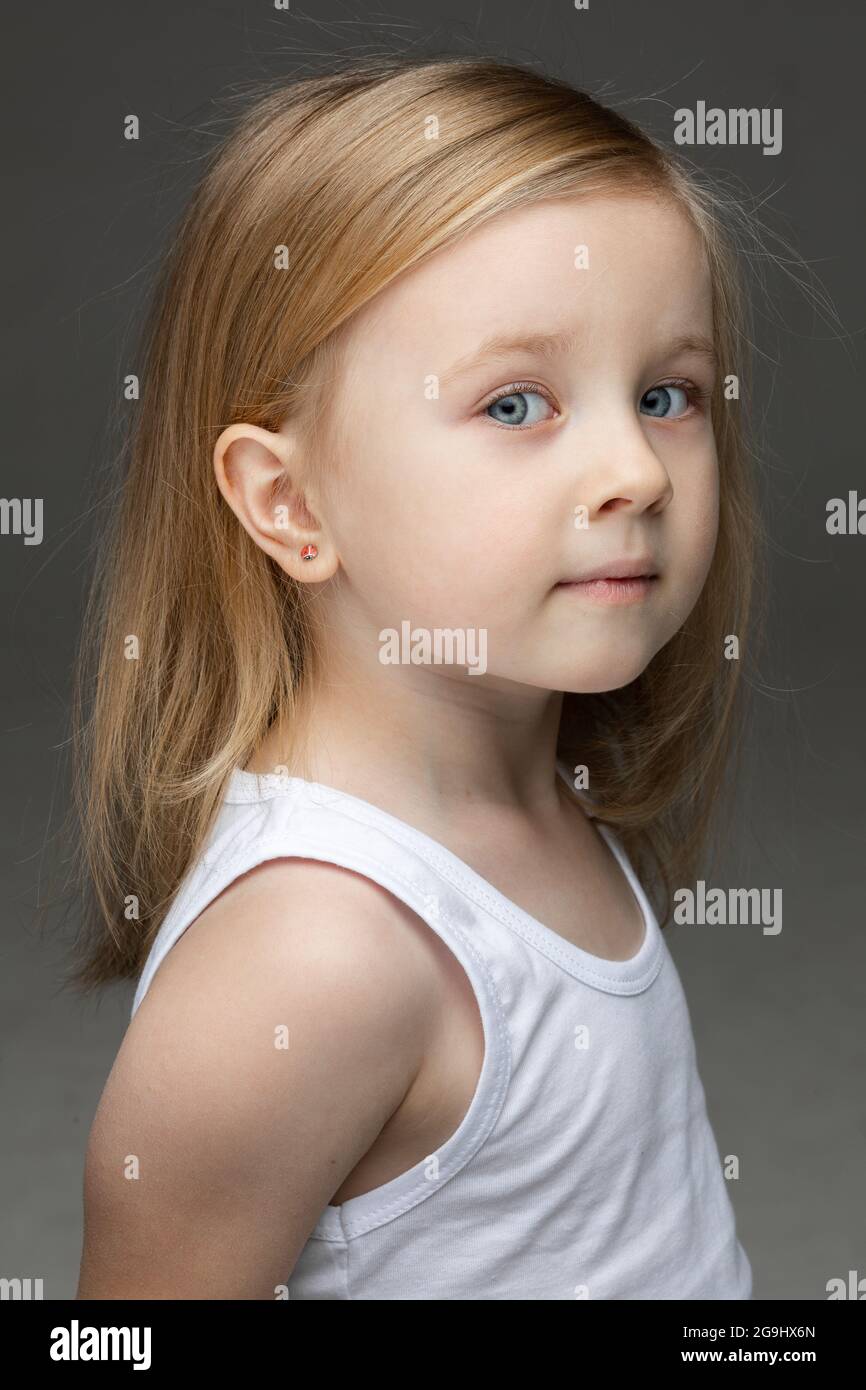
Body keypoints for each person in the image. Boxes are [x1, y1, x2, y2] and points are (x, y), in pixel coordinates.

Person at [73, 55, 759, 1300]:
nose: (638, 471)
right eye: (514, 405)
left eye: (667, 394)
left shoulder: (537, 796)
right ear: (289, 503)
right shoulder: (314, 953)